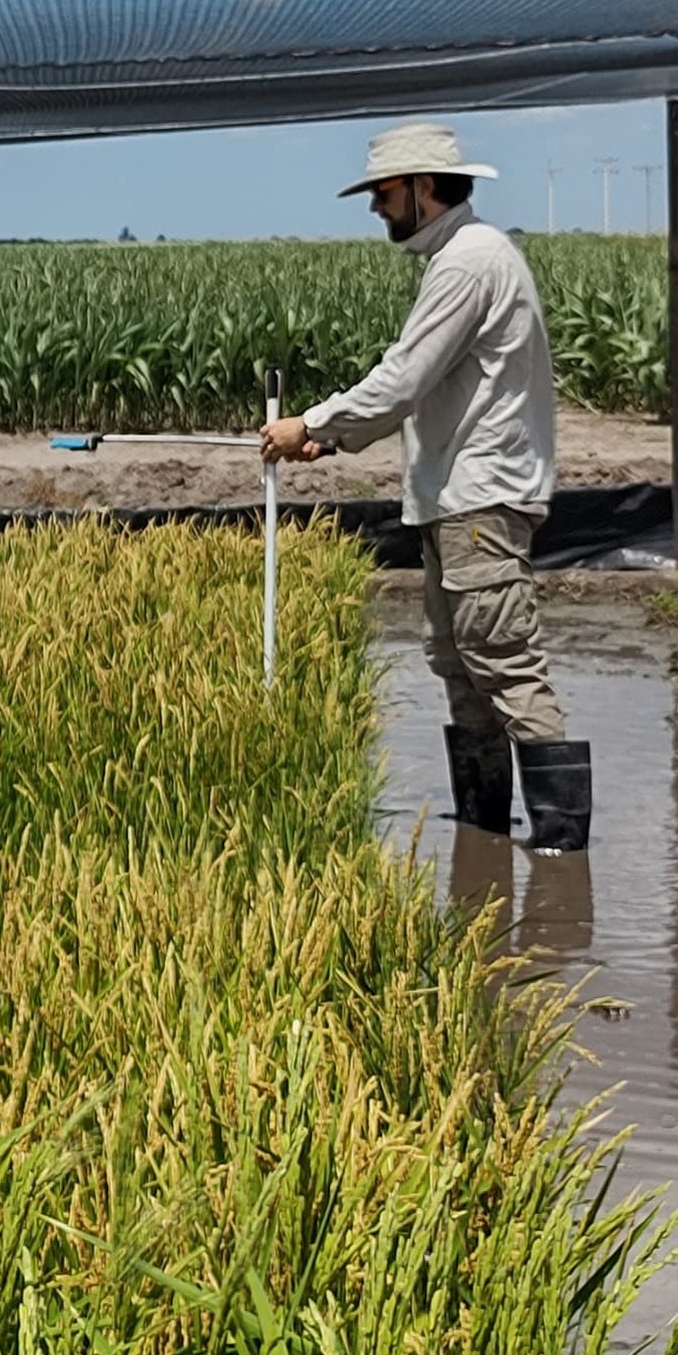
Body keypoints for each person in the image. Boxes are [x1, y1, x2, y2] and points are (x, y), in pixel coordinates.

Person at [262, 122, 590, 854]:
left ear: (421, 187)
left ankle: (562, 857)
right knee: (462, 666)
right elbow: (418, 386)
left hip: (479, 500)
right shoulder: (458, 258)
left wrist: (309, 421)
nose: (375, 207)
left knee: (502, 661)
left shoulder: (469, 263)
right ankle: (483, 841)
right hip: (454, 498)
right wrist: (332, 436)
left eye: (381, 192)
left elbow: (403, 377)